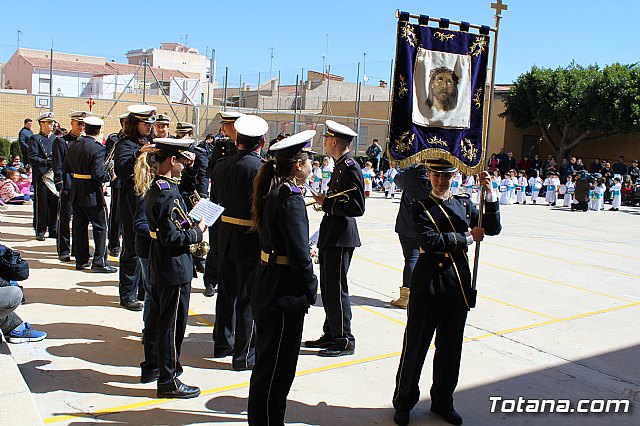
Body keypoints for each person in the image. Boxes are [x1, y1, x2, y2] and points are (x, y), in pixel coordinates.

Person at [392, 159, 501, 426]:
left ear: (455, 176)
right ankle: (404, 402)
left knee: (450, 350)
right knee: (415, 347)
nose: (441, 180)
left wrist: (490, 194)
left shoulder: (464, 204)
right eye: (436, 175)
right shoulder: (418, 205)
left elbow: (493, 228)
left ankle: (443, 401)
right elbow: (430, 240)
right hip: (427, 285)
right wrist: (466, 237)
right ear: (428, 175)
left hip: (456, 286)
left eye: (447, 175)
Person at [247, 131, 318, 425]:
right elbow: (300, 256)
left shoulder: (274, 192)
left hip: (269, 285)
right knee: (278, 369)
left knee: (268, 365)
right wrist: (311, 287)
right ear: (298, 165)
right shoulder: (290, 199)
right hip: (284, 294)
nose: (312, 164)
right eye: (309, 160)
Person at [143, 138, 206, 398]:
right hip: (174, 266)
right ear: (172, 160)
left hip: (160, 262)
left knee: (157, 320)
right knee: (172, 325)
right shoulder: (168, 193)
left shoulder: (157, 187)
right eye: (181, 160)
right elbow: (173, 237)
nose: (184, 164)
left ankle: (153, 368)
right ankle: (169, 379)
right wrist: (198, 233)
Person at [210, 115, 268, 370]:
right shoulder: (262, 169)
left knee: (226, 292)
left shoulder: (221, 166)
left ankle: (222, 344)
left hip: (226, 234)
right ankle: (244, 355)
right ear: (262, 142)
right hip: (250, 237)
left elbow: (214, 202)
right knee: (248, 297)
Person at [306, 120, 365, 357]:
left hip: (342, 236)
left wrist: (327, 202)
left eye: (327, 140)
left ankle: (344, 339)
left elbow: (358, 206)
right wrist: (326, 203)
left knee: (337, 289)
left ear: (334, 141)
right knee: (329, 289)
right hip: (332, 234)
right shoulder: (341, 165)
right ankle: (331, 333)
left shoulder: (350, 166)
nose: (326, 144)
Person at [114, 105, 157, 311]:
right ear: (135, 123)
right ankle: (127, 294)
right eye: (145, 123)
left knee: (146, 249)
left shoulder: (151, 142)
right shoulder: (126, 144)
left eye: (151, 123)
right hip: (132, 202)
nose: (149, 127)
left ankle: (141, 290)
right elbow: (121, 171)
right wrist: (138, 154)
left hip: (148, 201)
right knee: (131, 249)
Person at [63, 117, 117, 273]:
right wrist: (110, 177)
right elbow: (99, 174)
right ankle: (99, 262)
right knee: (100, 227)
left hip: (76, 190)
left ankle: (81, 260)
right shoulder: (97, 148)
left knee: (79, 227)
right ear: (99, 131)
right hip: (92, 192)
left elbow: (65, 168)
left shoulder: (72, 146)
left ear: (85, 128)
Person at [203, 111, 243, 298]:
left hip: (235, 204)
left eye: (227, 125)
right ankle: (211, 280)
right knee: (215, 243)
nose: (224, 128)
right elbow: (209, 170)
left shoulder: (244, 146)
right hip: (217, 201)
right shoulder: (221, 146)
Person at [390, 161, 431, 309]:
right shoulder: (435, 176)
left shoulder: (412, 175)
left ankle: (406, 297)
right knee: (426, 261)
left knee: (411, 259)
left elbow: (397, 179)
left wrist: (413, 164)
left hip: (408, 225)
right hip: (429, 226)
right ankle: (422, 294)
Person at [53, 111, 87, 262]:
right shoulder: (62, 141)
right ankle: (64, 249)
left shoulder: (86, 141)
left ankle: (78, 251)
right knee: (65, 218)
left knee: (80, 221)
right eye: (78, 123)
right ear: (72, 123)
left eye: (83, 124)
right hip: (67, 184)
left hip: (82, 185)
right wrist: (59, 182)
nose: (81, 127)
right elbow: (58, 164)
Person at [28, 112, 59, 241]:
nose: (52, 125)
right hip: (42, 175)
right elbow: (32, 157)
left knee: (54, 204)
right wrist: (46, 162)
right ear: (42, 124)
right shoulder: (35, 139)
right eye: (49, 123)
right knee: (41, 204)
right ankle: (40, 229)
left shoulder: (56, 139)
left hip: (53, 175)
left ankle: (53, 228)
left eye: (52, 122)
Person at [105, 113, 128, 257]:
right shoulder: (114, 139)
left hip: (131, 182)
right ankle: (114, 243)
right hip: (118, 181)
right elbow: (108, 156)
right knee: (115, 214)